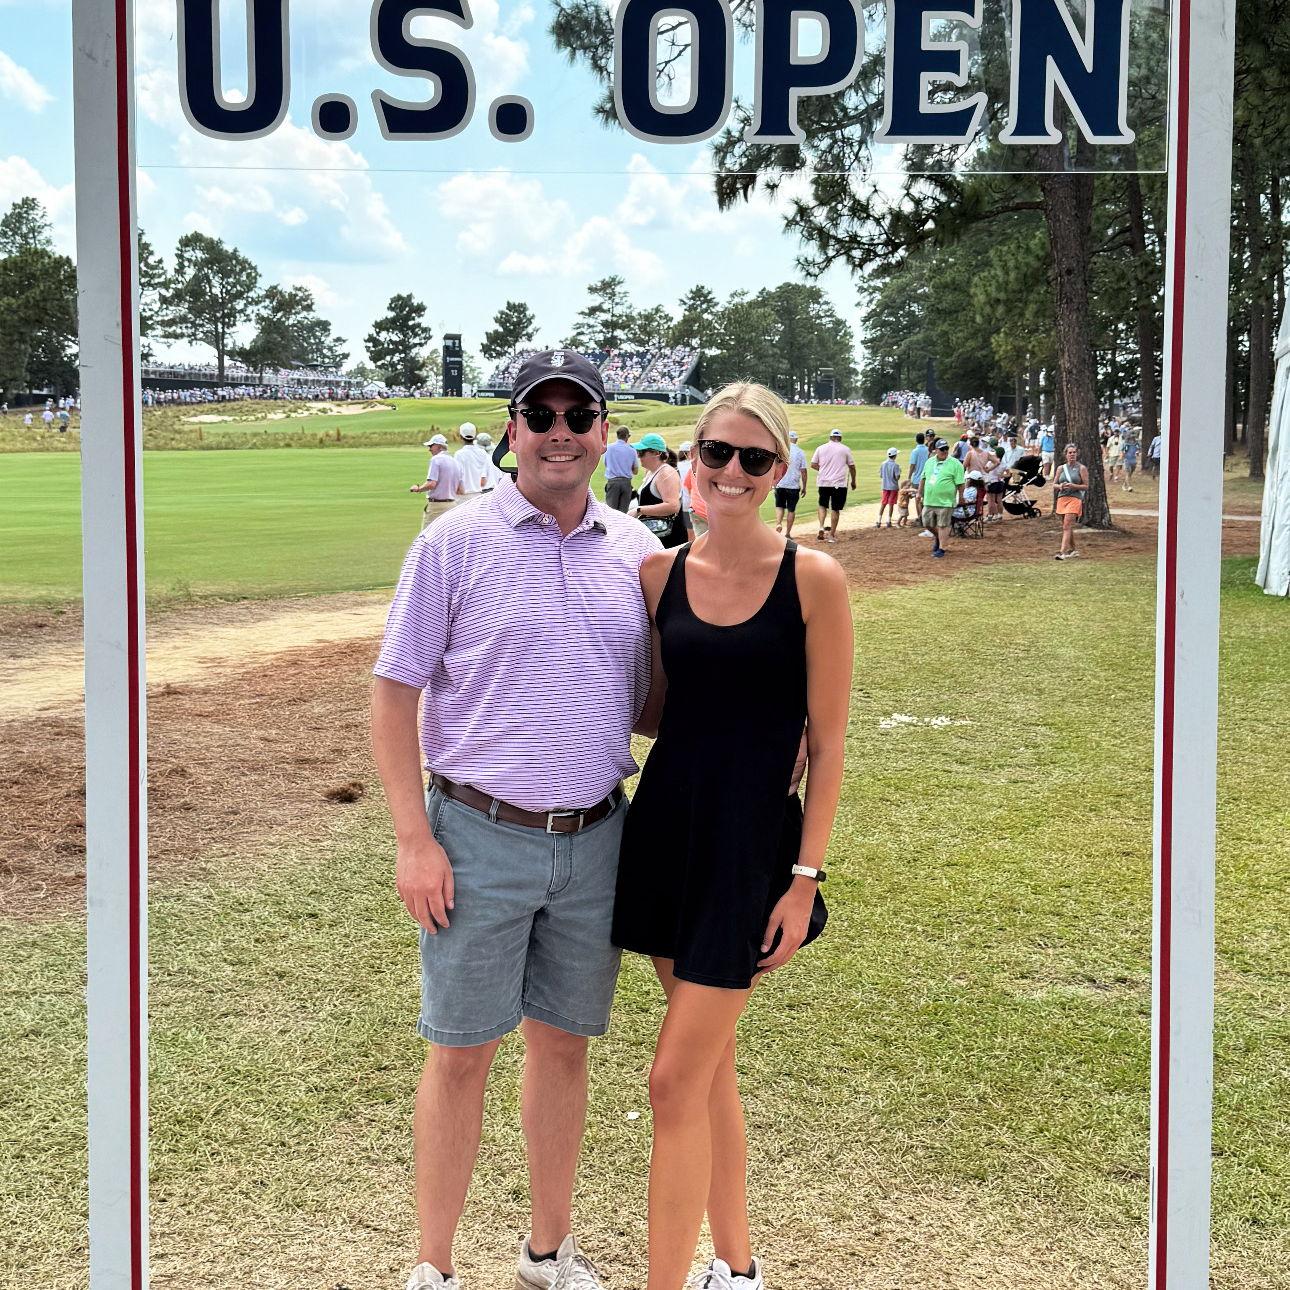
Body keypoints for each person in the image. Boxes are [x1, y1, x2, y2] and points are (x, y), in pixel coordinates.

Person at [371, 349, 661, 1290]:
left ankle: (547, 1250)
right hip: (476, 834)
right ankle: (434, 1266)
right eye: (543, 415)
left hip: (595, 836)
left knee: (564, 1048)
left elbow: (655, 701)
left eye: (581, 416)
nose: (561, 432)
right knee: (461, 1054)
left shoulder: (638, 553)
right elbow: (394, 696)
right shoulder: (455, 543)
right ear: (512, 430)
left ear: (605, 433)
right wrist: (415, 839)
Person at [613, 382, 852, 1290]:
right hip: (669, 832)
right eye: (717, 453)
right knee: (709, 1075)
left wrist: (803, 879)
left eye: (756, 458)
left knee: (673, 1082)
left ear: (782, 467)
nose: (733, 472)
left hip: (750, 852)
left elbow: (827, 745)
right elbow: (656, 709)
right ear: (692, 458)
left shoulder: (813, 582)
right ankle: (738, 1269)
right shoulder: (659, 575)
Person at [634, 432, 686, 548]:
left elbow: (673, 506)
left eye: (641, 453)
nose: (638, 456)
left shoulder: (666, 473)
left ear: (656, 453)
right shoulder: (651, 472)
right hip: (657, 535)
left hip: (668, 538)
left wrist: (639, 510)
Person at [916, 438, 964, 559]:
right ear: (936, 450)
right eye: (942, 449)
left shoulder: (955, 463)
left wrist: (961, 497)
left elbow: (960, 483)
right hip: (929, 499)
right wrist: (919, 493)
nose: (944, 451)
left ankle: (942, 548)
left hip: (946, 501)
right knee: (926, 522)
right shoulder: (929, 462)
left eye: (946, 448)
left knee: (943, 524)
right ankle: (939, 537)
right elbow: (923, 478)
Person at [810, 428, 856, 544]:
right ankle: (831, 535)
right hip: (839, 483)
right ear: (840, 438)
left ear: (830, 437)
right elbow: (852, 466)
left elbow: (813, 464)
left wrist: (823, 470)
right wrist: (853, 481)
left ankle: (821, 526)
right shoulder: (845, 449)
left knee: (822, 505)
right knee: (835, 509)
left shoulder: (821, 448)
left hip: (823, 482)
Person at [410, 435, 463, 529]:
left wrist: (418, 489)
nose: (429, 449)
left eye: (431, 446)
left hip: (437, 506)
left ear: (439, 446)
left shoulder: (436, 459)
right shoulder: (456, 462)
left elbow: (431, 484)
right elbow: (460, 490)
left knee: (426, 538)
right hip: (452, 505)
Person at [1054, 442, 1089, 560]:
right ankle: (1073, 549)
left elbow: (1086, 486)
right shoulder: (1060, 468)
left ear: (1077, 454)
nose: (1072, 455)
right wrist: (1060, 486)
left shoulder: (1082, 468)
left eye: (1074, 452)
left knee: (1067, 524)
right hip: (1062, 497)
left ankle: (1062, 552)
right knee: (1066, 526)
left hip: (1075, 498)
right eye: (1070, 453)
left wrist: (1074, 486)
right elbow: (1054, 484)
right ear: (1066, 454)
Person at [773, 429, 808, 536]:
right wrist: (804, 487)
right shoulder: (800, 452)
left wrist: (774, 482)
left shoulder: (781, 451)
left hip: (780, 484)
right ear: (796, 440)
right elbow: (803, 471)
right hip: (793, 486)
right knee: (791, 510)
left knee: (779, 506)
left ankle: (779, 523)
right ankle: (788, 533)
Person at [452, 422, 491, 502]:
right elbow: (483, 480)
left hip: (463, 496)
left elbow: (456, 477)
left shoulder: (459, 454)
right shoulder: (482, 453)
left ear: (461, 437)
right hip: (479, 495)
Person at [603, 425, 638, 512]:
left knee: (611, 512)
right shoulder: (632, 450)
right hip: (626, 483)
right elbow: (635, 471)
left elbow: (606, 463)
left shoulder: (609, 448)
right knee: (623, 513)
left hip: (613, 482)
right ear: (626, 436)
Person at [876, 447, 901, 527]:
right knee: (891, 504)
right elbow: (897, 477)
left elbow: (881, 475)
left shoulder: (883, 464)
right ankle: (889, 521)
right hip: (893, 487)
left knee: (883, 503)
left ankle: (879, 520)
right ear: (895, 455)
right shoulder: (896, 465)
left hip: (885, 486)